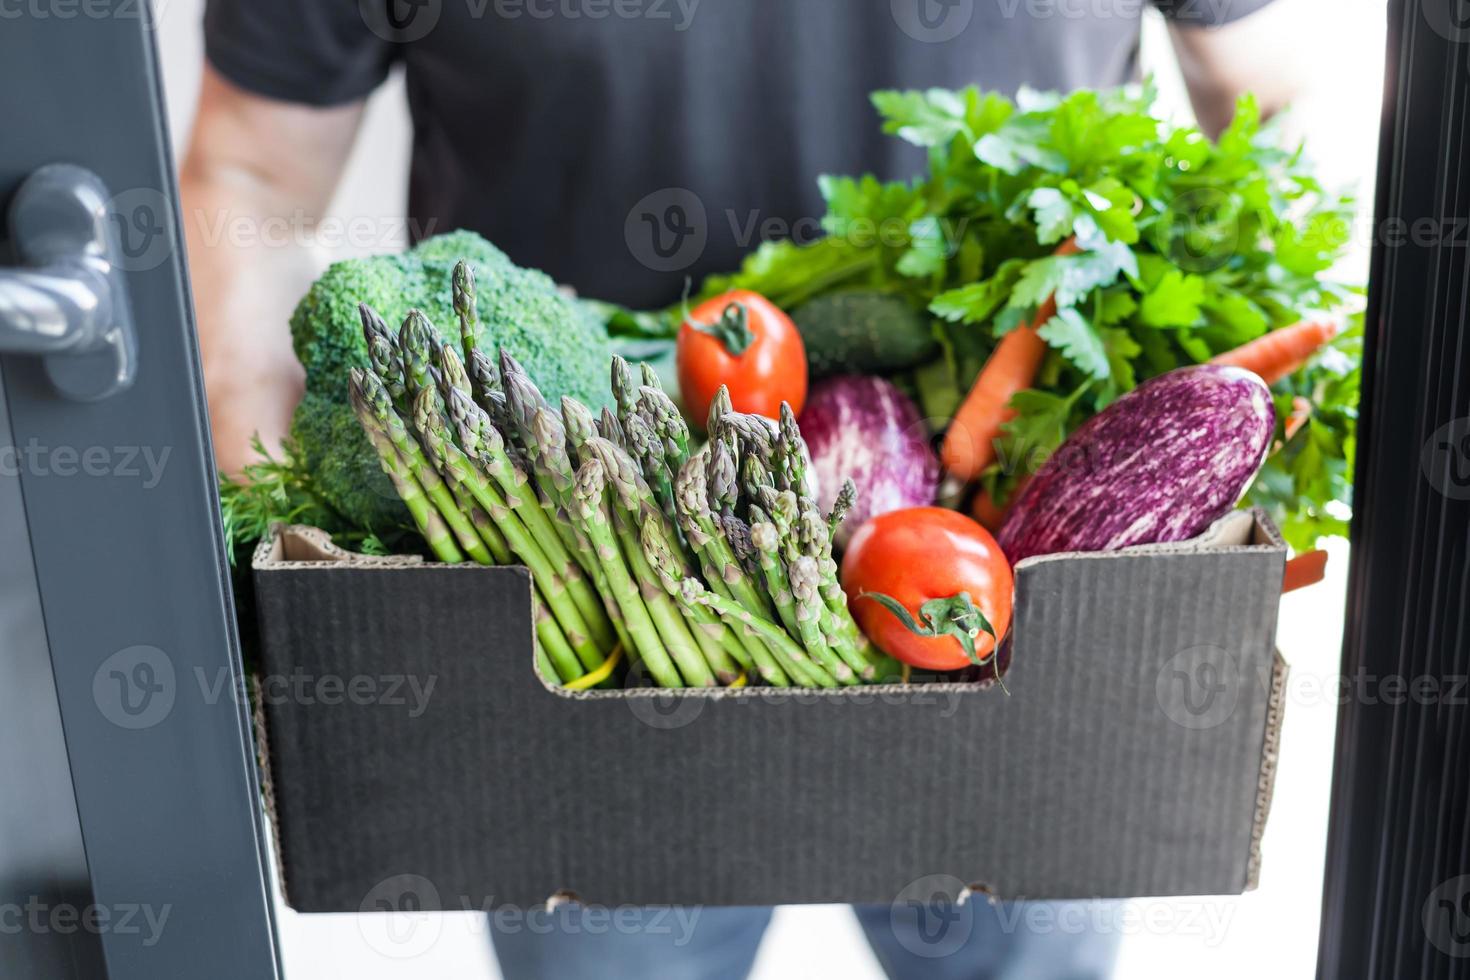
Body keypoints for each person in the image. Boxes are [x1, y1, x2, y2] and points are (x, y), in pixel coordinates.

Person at [185, 1, 1309, 976]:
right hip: (577, 613)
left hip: (1026, 602)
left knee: (1027, 952)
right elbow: (251, 174)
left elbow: (1265, 107)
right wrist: (282, 548)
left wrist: (1216, 429)